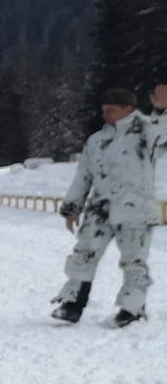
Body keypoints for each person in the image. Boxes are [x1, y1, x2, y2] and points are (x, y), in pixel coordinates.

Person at [52, 85, 167, 326]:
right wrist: (72, 208)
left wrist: (161, 108)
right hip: (100, 210)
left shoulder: (146, 131)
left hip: (135, 210)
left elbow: (163, 131)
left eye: (111, 110)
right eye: (103, 110)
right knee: (83, 254)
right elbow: (83, 176)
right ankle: (73, 304)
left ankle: (132, 309)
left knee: (134, 261)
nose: (105, 114)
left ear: (129, 109)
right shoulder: (97, 140)